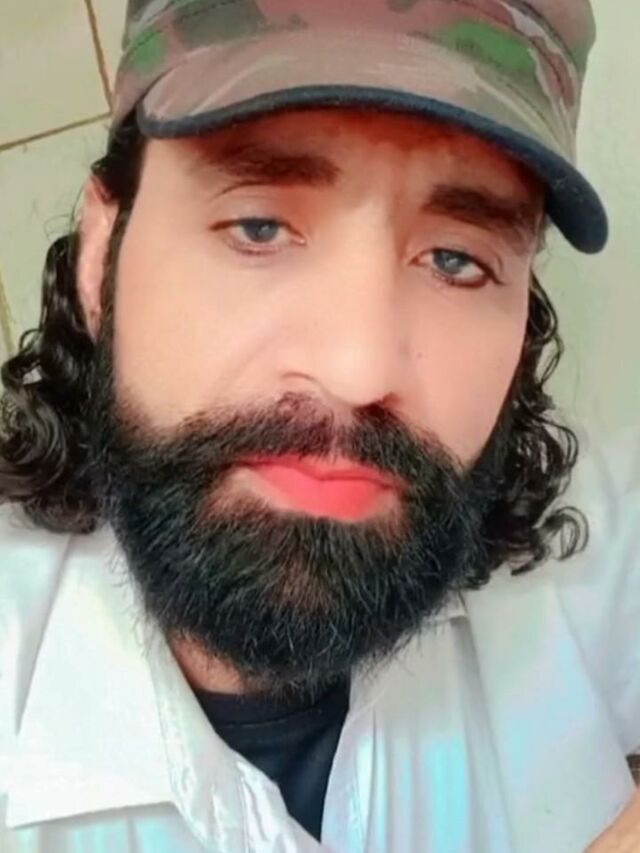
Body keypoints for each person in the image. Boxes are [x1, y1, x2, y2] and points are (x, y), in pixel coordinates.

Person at [0, 1, 638, 850]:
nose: (358, 368)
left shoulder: (597, 539)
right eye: (258, 227)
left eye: (456, 260)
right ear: (99, 255)